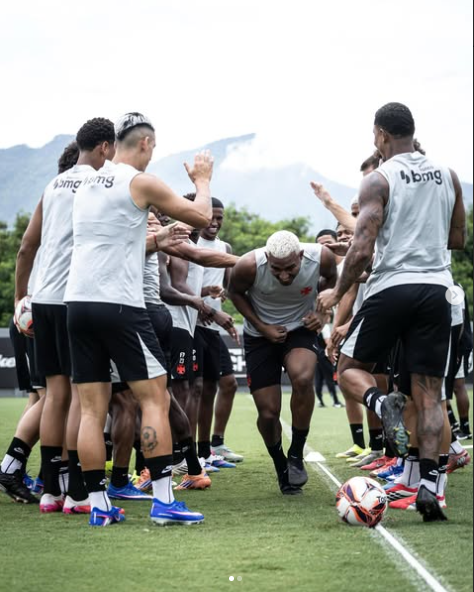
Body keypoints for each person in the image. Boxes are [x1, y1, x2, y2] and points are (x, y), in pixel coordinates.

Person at [64, 112, 215, 527]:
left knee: (92, 410)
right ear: (145, 143)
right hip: (120, 305)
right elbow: (201, 217)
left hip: (78, 304)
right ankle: (164, 501)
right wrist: (203, 181)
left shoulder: (87, 182)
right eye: (153, 148)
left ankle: (98, 507)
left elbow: (107, 240)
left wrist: (156, 239)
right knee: (154, 398)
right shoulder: (139, 181)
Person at [318, 102, 466, 522]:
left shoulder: (378, 178)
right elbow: (457, 239)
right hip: (437, 289)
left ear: (381, 135)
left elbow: (363, 247)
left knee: (348, 368)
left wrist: (336, 292)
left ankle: (381, 404)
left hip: (392, 287)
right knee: (430, 393)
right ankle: (430, 489)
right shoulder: (449, 175)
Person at [11, 121, 116, 514]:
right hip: (75, 299)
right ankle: (76, 493)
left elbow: (27, 246)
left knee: (54, 395)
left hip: (42, 300)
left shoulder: (53, 185)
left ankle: (50, 492)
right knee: (79, 397)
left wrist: (21, 298)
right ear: (105, 147)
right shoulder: (99, 184)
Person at [229, 230, 337, 495]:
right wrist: (261, 326)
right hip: (260, 336)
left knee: (302, 377)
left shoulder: (321, 257)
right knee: (268, 414)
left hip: (300, 329)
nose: (284, 276)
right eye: (276, 269)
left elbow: (333, 281)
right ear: (267, 258)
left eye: (290, 268)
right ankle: (281, 465)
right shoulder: (248, 265)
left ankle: (296, 454)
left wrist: (322, 313)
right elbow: (235, 292)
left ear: (301, 255)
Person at [194, 198, 243, 464]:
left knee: (226, 384)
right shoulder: (190, 244)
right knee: (196, 389)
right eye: (210, 216)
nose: (214, 222)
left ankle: (213, 446)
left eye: (219, 217)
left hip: (214, 327)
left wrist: (222, 299)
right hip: (193, 326)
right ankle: (191, 452)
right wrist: (206, 301)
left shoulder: (225, 249)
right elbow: (181, 288)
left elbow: (227, 288)